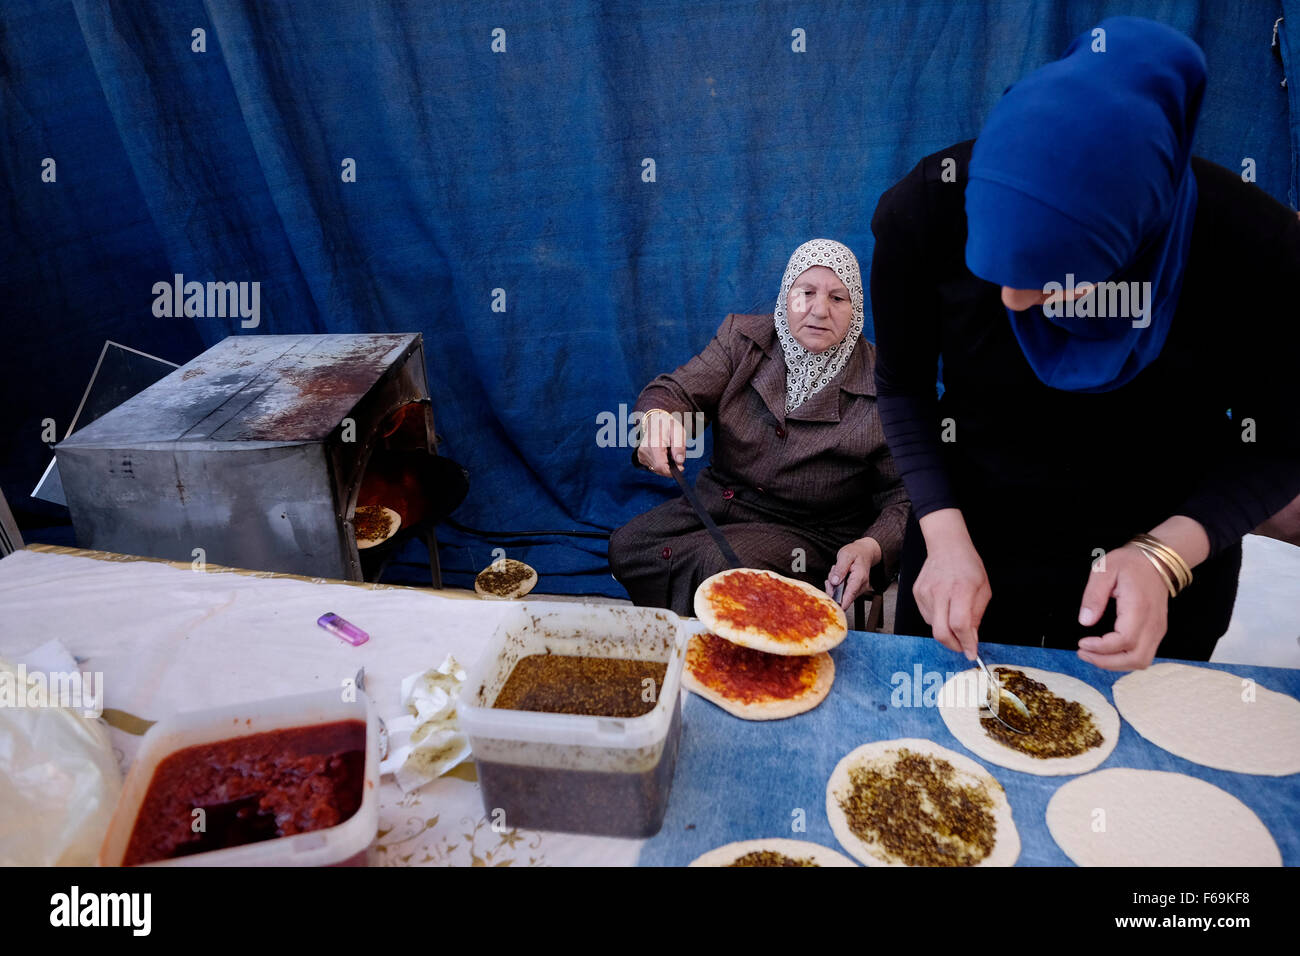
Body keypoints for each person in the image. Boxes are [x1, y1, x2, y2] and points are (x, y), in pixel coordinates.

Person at [870, 17, 1300, 671]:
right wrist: (942, 528)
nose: (1012, 301)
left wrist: (1166, 555)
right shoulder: (925, 211)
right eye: (996, 273)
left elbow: (1282, 440)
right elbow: (902, 387)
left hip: (1159, 576)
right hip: (973, 549)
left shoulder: (1257, 250)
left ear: (1131, 244)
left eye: (1048, 283)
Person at [609, 238, 909, 618]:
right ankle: (695, 630)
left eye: (838, 298)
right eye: (806, 293)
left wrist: (872, 545)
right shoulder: (743, 340)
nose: (819, 310)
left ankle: (717, 658)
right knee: (627, 547)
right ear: (786, 295)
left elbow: (903, 496)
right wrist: (659, 419)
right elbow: (676, 391)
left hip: (809, 532)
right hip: (724, 500)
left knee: (714, 565)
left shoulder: (882, 381)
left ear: (856, 309)